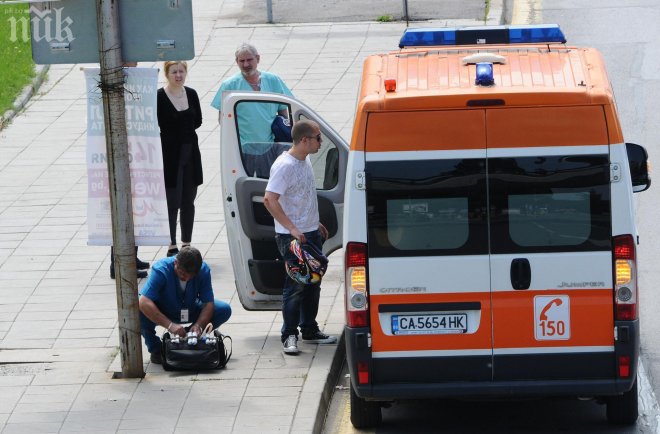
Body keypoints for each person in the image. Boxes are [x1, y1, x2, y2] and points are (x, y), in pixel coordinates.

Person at [263, 120, 337, 355]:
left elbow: (303, 195)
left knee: (313, 281)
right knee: (295, 285)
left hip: (311, 232)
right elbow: (269, 199)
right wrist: (293, 228)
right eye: (318, 138)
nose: (320, 142)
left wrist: (314, 223)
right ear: (305, 140)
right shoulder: (284, 166)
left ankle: (310, 329)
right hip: (293, 237)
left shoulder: (304, 160)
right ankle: (289, 335)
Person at [138, 246, 232, 364]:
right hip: (163, 311)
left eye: (191, 276)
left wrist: (199, 325)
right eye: (182, 273)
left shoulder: (203, 270)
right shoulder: (161, 269)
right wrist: (170, 325)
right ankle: (157, 350)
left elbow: (208, 303)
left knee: (223, 309)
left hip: (190, 308)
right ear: (176, 263)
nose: (186, 278)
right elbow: (144, 301)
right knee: (138, 309)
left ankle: (189, 337)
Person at [157, 61, 203, 257]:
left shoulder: (191, 93)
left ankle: (186, 243)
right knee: (171, 201)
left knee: (188, 200)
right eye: (174, 72)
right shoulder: (159, 96)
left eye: (181, 71)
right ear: (167, 74)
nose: (178, 75)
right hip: (169, 154)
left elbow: (198, 120)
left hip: (190, 153)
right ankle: (170, 243)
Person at [210, 43, 293, 145]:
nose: (246, 65)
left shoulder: (273, 80)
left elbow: (283, 111)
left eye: (249, 60)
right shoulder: (229, 85)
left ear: (257, 59)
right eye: (242, 61)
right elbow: (223, 119)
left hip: (272, 144)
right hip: (243, 147)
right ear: (236, 61)